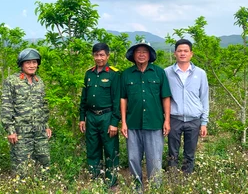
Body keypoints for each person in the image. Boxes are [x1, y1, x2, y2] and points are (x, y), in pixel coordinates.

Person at [120, 40, 171, 189]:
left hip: (154, 123)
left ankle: (156, 189)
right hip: (133, 123)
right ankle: (137, 189)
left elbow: (165, 97)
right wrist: (123, 122)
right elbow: (123, 98)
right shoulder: (127, 74)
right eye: (138, 51)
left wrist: (167, 120)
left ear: (149, 55)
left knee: (154, 160)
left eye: (144, 52)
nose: (141, 55)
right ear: (133, 55)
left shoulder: (159, 72)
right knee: (133, 159)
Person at [1, 48, 52, 174]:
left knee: (44, 163)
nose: (32, 65)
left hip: (39, 131)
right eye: (28, 62)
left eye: (34, 62)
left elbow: (44, 106)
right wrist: (10, 130)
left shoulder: (39, 81)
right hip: (21, 132)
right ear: (21, 64)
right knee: (21, 167)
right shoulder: (12, 81)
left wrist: (46, 126)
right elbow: (6, 106)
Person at [79, 43, 121, 189]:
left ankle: (111, 181)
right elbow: (83, 98)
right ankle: (95, 178)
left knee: (110, 149)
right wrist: (81, 117)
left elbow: (117, 100)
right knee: (92, 148)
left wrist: (115, 122)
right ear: (93, 56)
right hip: (91, 117)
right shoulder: (88, 74)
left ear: (107, 56)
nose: (99, 58)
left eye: (102, 55)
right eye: (96, 55)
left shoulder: (114, 74)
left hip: (107, 116)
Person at [165, 39, 209, 173]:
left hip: (194, 119)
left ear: (191, 54)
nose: (182, 53)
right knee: (172, 152)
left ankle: (186, 179)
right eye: (179, 51)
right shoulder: (167, 73)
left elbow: (204, 97)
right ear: (175, 54)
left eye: (185, 51)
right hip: (174, 118)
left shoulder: (200, 73)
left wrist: (204, 122)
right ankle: (172, 178)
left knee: (190, 153)